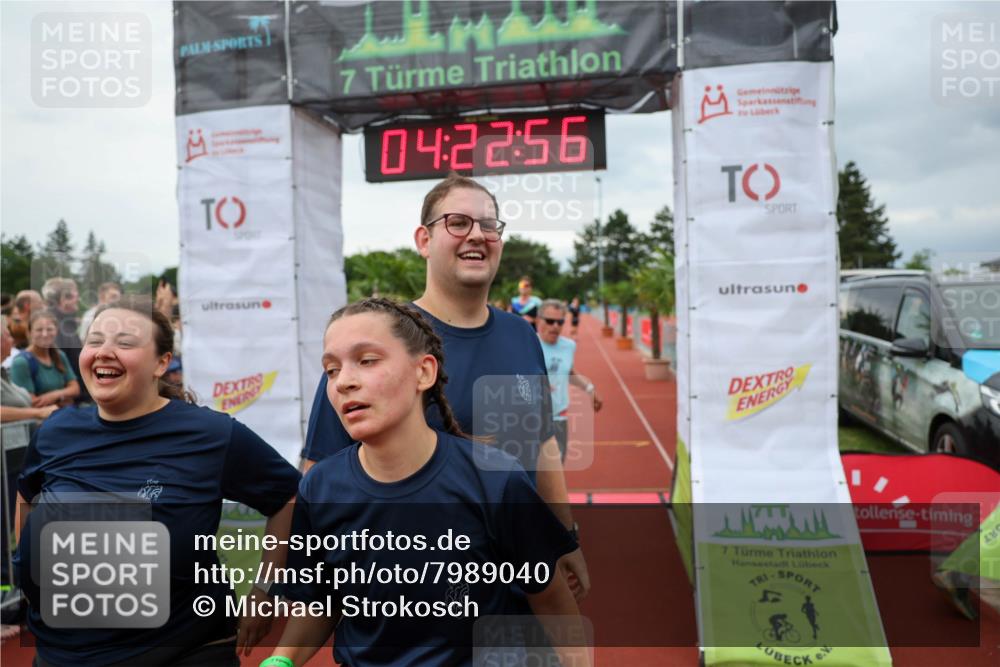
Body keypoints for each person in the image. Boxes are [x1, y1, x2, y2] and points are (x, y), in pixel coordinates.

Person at [301, 174, 589, 600]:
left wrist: (565, 536)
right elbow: (319, 471)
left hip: (517, 589)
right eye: (457, 222)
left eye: (488, 225)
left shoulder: (521, 335)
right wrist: (298, 584)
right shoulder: (382, 341)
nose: (477, 235)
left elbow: (541, 442)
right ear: (424, 240)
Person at [262, 298, 589, 667]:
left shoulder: (496, 481)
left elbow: (552, 602)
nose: (344, 382)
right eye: (332, 370)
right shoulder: (319, 488)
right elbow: (322, 601)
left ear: (424, 372)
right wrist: (281, 660)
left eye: (367, 360)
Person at [14, 295, 300, 666]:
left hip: (181, 651)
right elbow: (27, 494)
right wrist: (26, 566)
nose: (104, 352)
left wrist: (264, 590)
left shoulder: (210, 434)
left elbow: (288, 496)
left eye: (125, 343)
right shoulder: (56, 430)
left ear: (161, 362)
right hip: (59, 654)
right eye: (95, 341)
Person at [1, 316, 57, 629]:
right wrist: (36, 411)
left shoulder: (5, 373)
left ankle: (13, 598)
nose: (12, 340)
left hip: (14, 464)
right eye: (6, 335)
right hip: (4, 465)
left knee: (12, 533)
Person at [537, 299, 602, 461]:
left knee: (558, 466)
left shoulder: (569, 346)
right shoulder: (528, 345)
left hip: (559, 417)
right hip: (531, 420)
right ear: (539, 320)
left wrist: (590, 389)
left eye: (560, 322)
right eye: (550, 321)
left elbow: (569, 372)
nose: (555, 326)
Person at [8, 311, 80, 408]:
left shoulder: (59, 355)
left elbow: (75, 389)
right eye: (39, 330)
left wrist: (54, 396)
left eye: (49, 329)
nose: (45, 334)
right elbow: (31, 403)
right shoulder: (21, 362)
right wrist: (64, 398)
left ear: (56, 331)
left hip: (65, 412)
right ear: (29, 333)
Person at [41, 278, 87, 404]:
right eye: (73, 296)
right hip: (69, 401)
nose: (78, 299)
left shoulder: (66, 323)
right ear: (61, 299)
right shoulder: (52, 325)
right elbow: (58, 365)